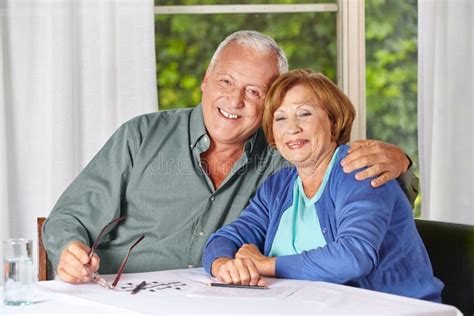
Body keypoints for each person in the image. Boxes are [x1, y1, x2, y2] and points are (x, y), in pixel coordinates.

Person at [43, 31, 417, 285]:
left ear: (268, 104)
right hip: (121, 298)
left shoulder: (282, 158)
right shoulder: (141, 137)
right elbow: (68, 218)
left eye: (254, 91)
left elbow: (351, 181)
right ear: (207, 78)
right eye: (226, 82)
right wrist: (69, 251)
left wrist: (403, 163)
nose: (235, 101)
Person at [202, 69, 443, 302]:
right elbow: (228, 237)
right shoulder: (279, 186)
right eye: (281, 118)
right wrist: (224, 264)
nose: (292, 128)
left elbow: (354, 256)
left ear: (333, 121)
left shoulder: (359, 168)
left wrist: (265, 264)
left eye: (304, 113)